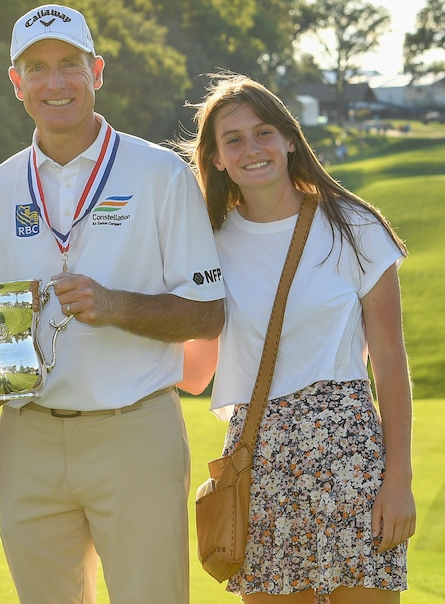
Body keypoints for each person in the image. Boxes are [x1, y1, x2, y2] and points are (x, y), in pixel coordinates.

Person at [0, 4, 226, 603]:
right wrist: (7, 322)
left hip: (133, 429)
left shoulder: (160, 173)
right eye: (37, 68)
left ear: (96, 72)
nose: (55, 82)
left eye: (69, 65)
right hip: (28, 437)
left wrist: (116, 305)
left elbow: (208, 312)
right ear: (16, 82)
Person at [176, 73, 415, 603]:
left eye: (263, 132)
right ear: (215, 158)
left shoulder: (355, 227)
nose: (251, 149)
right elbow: (194, 374)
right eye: (232, 140)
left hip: (351, 453)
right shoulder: (206, 245)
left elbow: (391, 363)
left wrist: (398, 481)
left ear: (289, 138)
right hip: (256, 458)